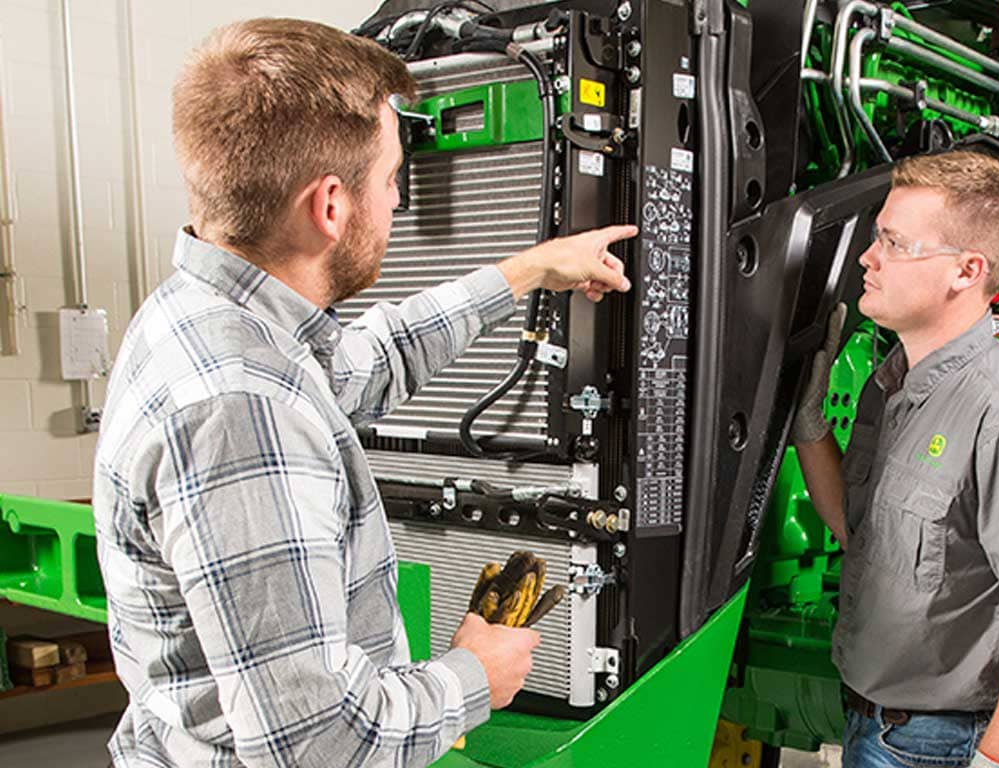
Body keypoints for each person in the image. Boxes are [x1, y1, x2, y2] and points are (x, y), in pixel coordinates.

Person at [92, 19, 634, 767]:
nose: (397, 198)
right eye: (389, 179)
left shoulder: (204, 319)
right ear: (331, 207)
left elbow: (363, 365)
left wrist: (530, 271)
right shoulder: (243, 409)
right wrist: (475, 674)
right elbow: (318, 744)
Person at [792, 151, 999, 768]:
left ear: (967, 270)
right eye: (878, 238)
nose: (867, 259)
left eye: (895, 243)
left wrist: (996, 763)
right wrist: (809, 424)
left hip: (933, 746)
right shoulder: (893, 386)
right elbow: (857, 531)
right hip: (870, 723)